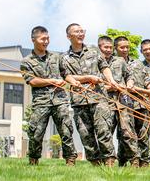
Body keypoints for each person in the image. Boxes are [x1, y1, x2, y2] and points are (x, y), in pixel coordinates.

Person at [60, 23, 117, 166]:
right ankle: (95, 164)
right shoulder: (64, 58)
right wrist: (88, 78)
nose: (80, 34)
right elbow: (66, 75)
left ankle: (109, 163)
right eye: (76, 32)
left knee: (104, 131)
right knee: (86, 135)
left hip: (98, 98)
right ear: (68, 36)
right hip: (79, 101)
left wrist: (111, 80)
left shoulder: (93, 50)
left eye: (82, 31)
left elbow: (104, 67)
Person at [21, 26, 77, 166]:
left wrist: (73, 82)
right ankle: (33, 160)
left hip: (60, 100)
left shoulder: (56, 57)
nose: (46, 41)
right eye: (43, 39)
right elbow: (32, 81)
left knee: (66, 130)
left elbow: (66, 74)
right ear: (33, 40)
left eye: (48, 38)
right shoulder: (26, 61)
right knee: (36, 132)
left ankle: (70, 160)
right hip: (41, 101)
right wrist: (52, 81)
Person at [114, 36, 150, 167]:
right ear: (116, 48)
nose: (125, 49)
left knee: (143, 135)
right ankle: (125, 161)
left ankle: (143, 162)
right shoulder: (111, 63)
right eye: (122, 47)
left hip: (141, 104)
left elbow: (147, 81)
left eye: (127, 47)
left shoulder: (137, 63)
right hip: (123, 103)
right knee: (125, 135)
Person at [97, 35, 139, 167]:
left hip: (122, 100)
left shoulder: (120, 61)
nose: (108, 50)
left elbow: (129, 76)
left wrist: (130, 83)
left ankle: (134, 161)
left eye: (110, 47)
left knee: (127, 131)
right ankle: (109, 160)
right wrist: (109, 87)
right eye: (106, 47)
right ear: (100, 48)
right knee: (106, 132)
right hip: (105, 101)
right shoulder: (94, 62)